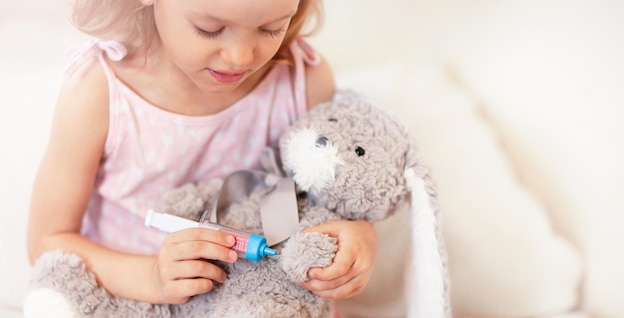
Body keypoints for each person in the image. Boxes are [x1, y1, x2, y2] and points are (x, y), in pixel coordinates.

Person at [26, 0, 378, 307]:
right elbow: (47, 241)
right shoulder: (99, 89)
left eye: (271, 29)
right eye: (209, 28)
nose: (240, 56)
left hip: (252, 298)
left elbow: (336, 196)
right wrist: (152, 277)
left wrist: (358, 236)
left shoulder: (304, 81)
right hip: (126, 296)